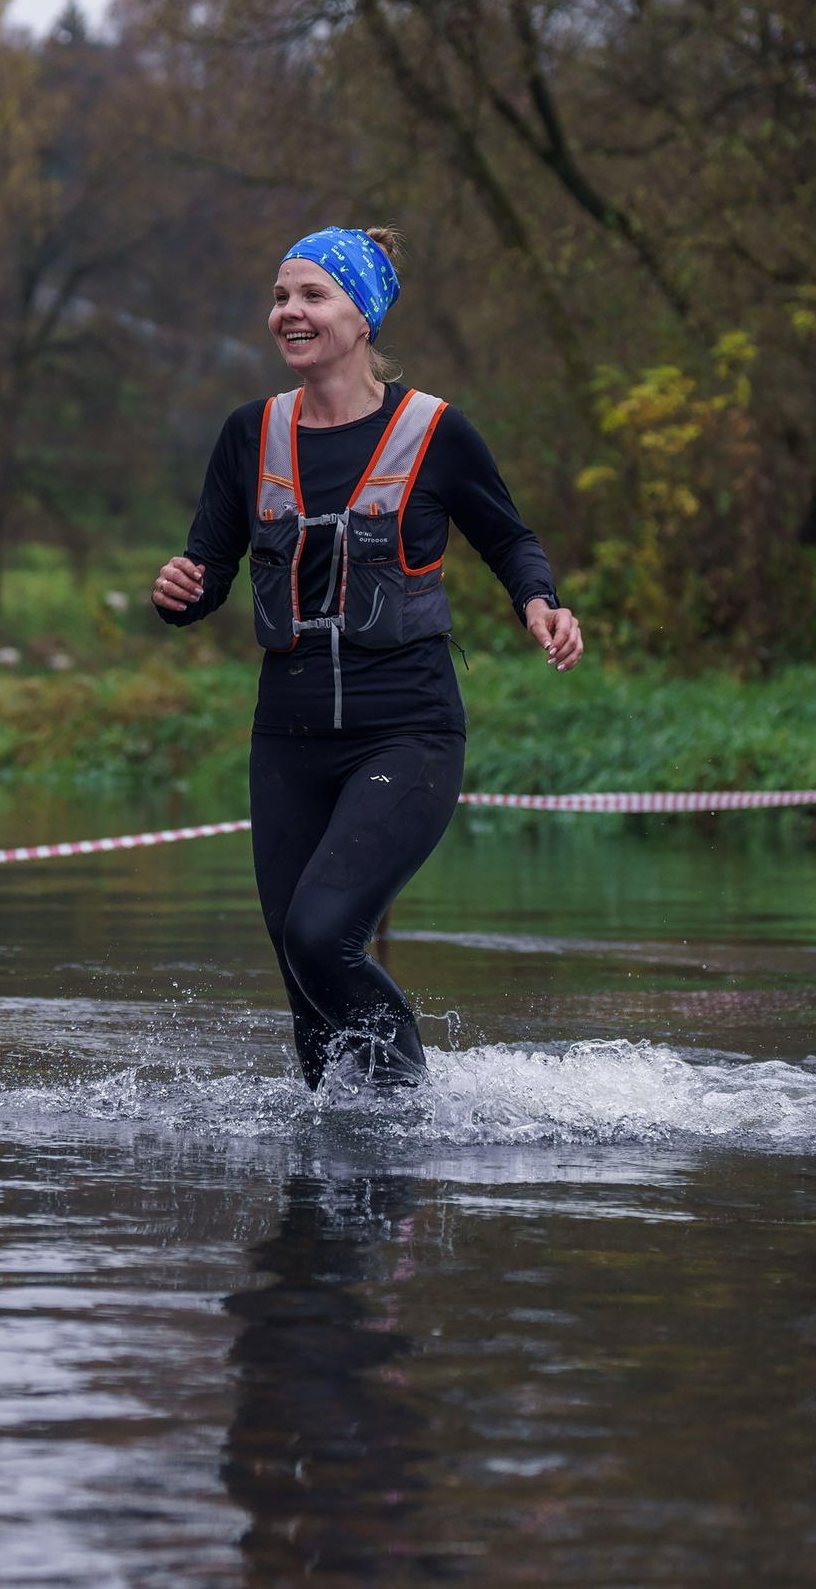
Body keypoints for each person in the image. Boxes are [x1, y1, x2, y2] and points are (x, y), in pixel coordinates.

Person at [151, 226, 583, 1089]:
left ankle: (414, 1117)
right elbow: (209, 575)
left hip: (409, 734)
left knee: (322, 934)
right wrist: (180, 590)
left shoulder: (436, 431)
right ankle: (333, 1194)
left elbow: (510, 539)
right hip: (287, 739)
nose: (289, 313)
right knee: (301, 977)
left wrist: (541, 601)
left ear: (362, 314)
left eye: (311, 295)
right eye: (280, 297)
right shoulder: (249, 435)